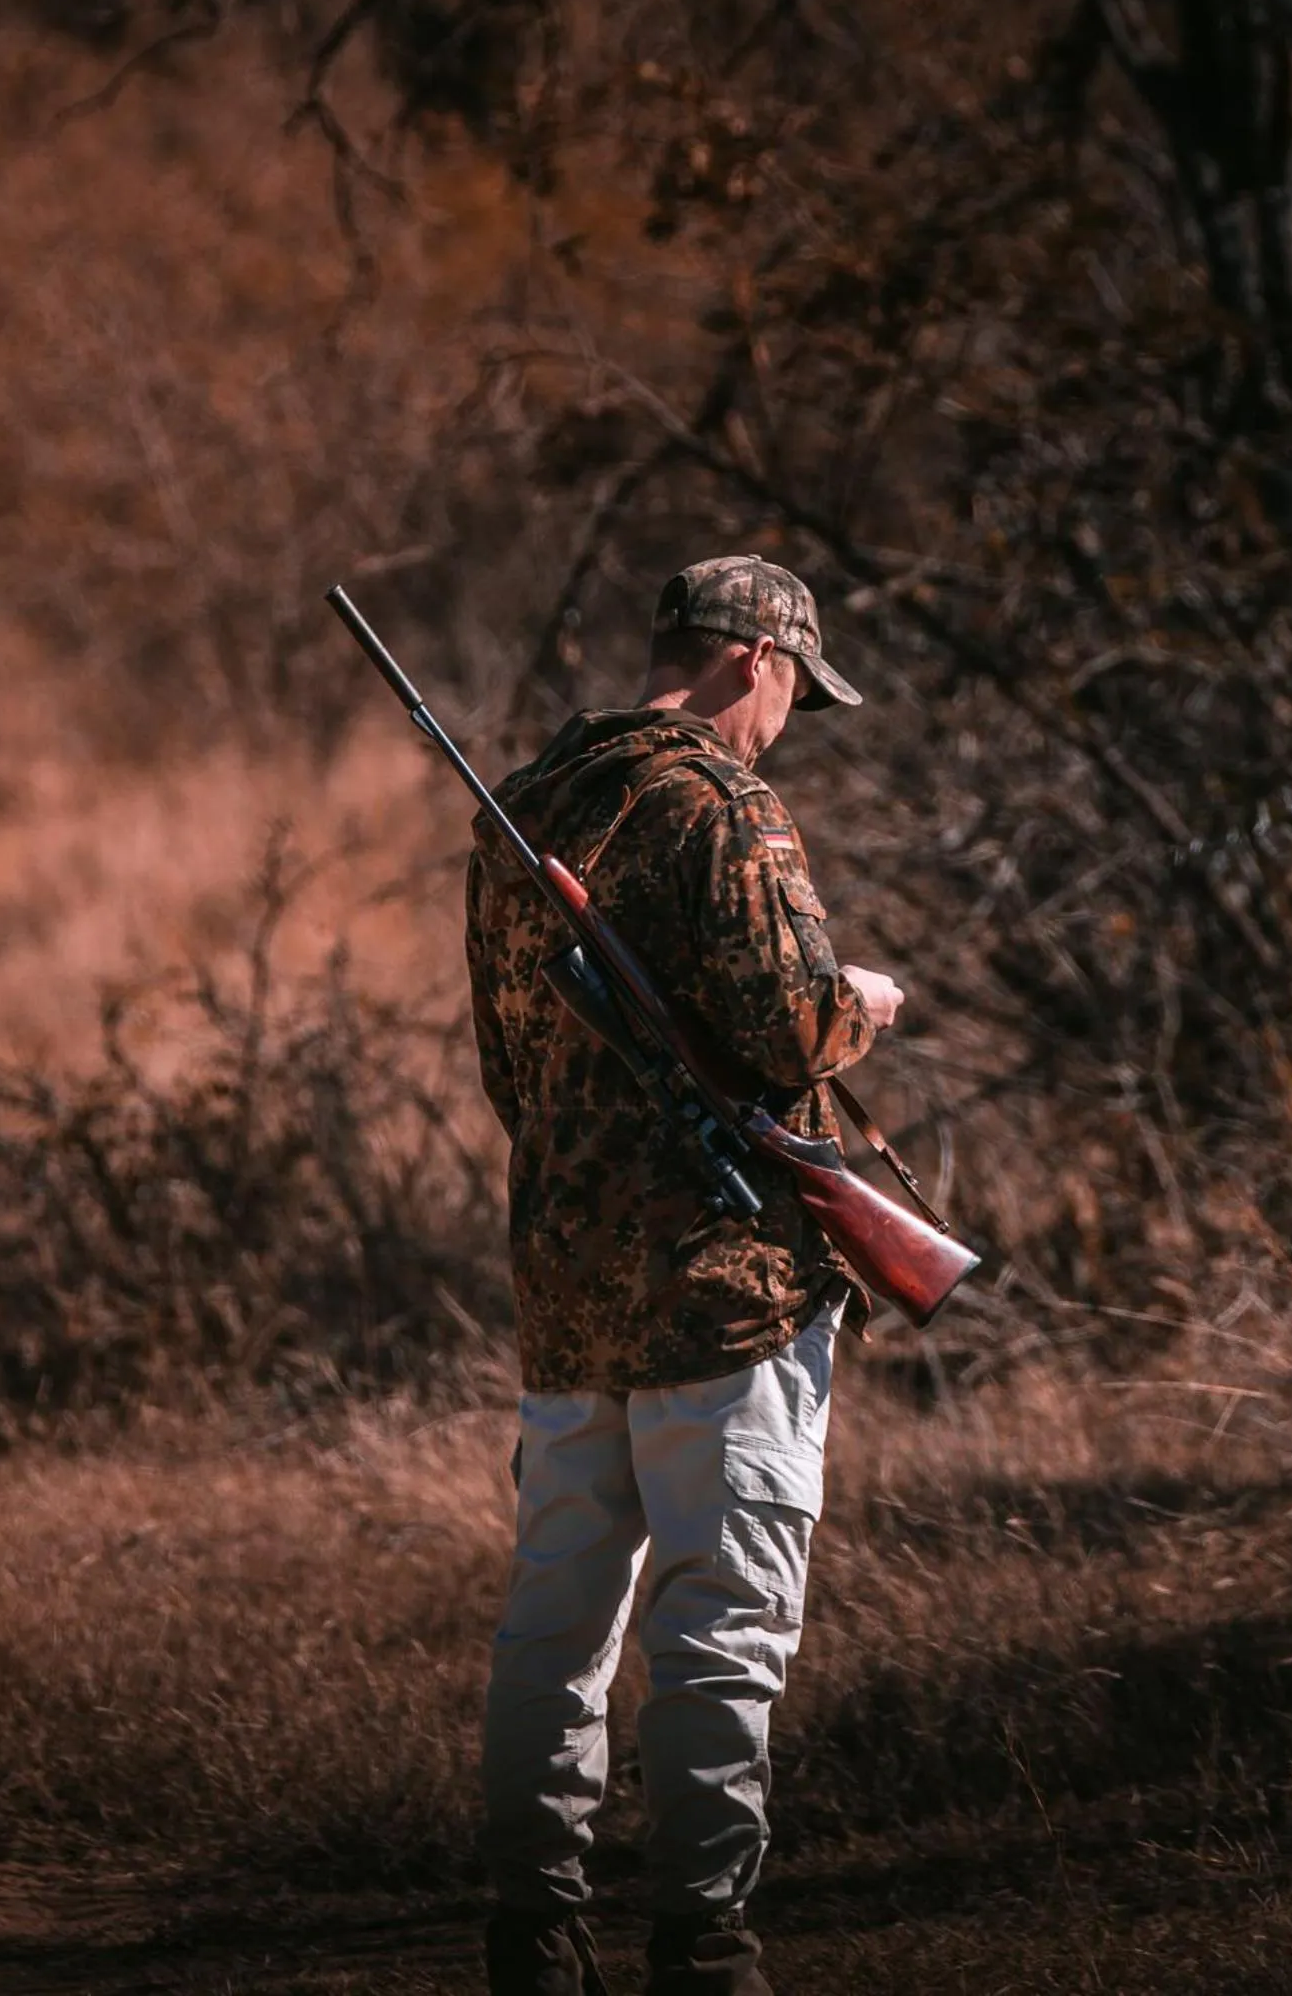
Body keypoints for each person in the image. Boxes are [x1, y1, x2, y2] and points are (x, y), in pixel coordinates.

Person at [463, 554, 905, 1996]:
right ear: (750, 659)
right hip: (729, 1294)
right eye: (790, 690)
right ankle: (706, 1947)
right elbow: (792, 1029)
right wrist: (868, 1003)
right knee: (723, 1629)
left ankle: (534, 1939)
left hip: (566, 1296)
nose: (783, 723)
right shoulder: (722, 805)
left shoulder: (523, 806)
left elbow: (509, 1073)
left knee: (555, 1630)